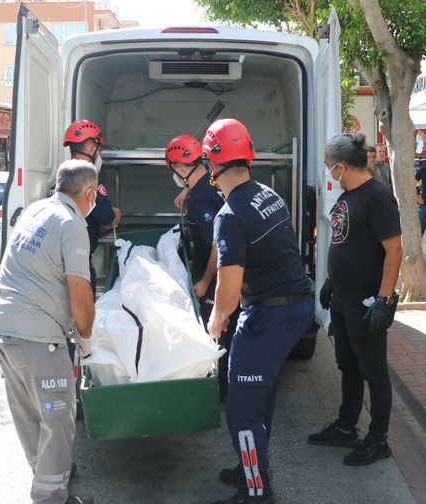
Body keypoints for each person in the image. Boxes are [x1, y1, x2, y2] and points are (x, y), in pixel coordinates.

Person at [204, 118, 313, 504]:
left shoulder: (230, 215)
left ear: (212, 164)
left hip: (271, 313)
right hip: (292, 306)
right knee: (256, 395)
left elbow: (228, 292)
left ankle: (256, 491)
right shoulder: (267, 193)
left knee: (242, 410)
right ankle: (248, 466)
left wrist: (214, 328)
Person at [0, 159, 99, 504]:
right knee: (59, 415)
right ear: (90, 193)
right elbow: (79, 291)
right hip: (36, 337)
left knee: (29, 413)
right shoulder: (72, 222)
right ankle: (51, 496)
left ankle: (48, 473)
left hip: (0, 328)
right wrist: (86, 340)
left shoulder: (36, 210)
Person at [308, 133, 403, 467]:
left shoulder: (378, 198)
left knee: (374, 371)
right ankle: (347, 426)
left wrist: (383, 299)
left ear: (341, 166)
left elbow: (394, 251)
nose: (326, 172)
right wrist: (332, 281)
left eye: (327, 167)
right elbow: (346, 240)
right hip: (343, 298)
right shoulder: (349, 195)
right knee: (347, 364)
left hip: (365, 301)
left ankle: (378, 440)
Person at [165, 133, 234, 401]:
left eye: (174, 170)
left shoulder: (200, 201)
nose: (174, 175)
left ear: (183, 170)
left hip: (219, 273)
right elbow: (203, 183)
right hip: (237, 270)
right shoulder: (211, 179)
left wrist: (205, 282)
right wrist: (187, 189)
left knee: (218, 333)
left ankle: (219, 391)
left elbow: (219, 245)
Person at [63, 119, 122, 293]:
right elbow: (108, 217)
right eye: (99, 150)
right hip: (79, 266)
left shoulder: (61, 178)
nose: (99, 155)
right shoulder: (88, 181)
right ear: (90, 149)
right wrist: (115, 214)